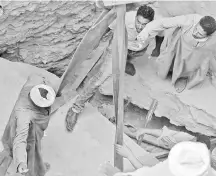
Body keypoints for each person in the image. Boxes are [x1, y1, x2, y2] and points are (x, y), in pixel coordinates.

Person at [65, 3, 155, 132]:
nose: (140, 26)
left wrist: (147, 49)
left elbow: (158, 34)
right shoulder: (125, 18)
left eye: (144, 24)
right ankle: (76, 108)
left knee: (132, 57)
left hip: (135, 49)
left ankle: (124, 62)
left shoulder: (155, 26)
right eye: (138, 22)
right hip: (118, 47)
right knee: (99, 79)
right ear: (135, 17)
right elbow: (108, 29)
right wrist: (96, 43)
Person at [137, 14, 216, 93]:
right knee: (168, 61)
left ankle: (181, 78)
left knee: (188, 68)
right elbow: (163, 23)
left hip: (198, 55)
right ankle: (166, 72)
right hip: (178, 46)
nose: (195, 32)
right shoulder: (190, 20)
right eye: (196, 28)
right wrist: (146, 30)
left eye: (200, 33)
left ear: (209, 35)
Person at [0, 74, 56, 176]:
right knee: (32, 150)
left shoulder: (35, 81)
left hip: (23, 122)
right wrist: (21, 162)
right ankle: (34, 172)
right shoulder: (24, 115)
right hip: (30, 130)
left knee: (13, 136)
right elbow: (21, 138)